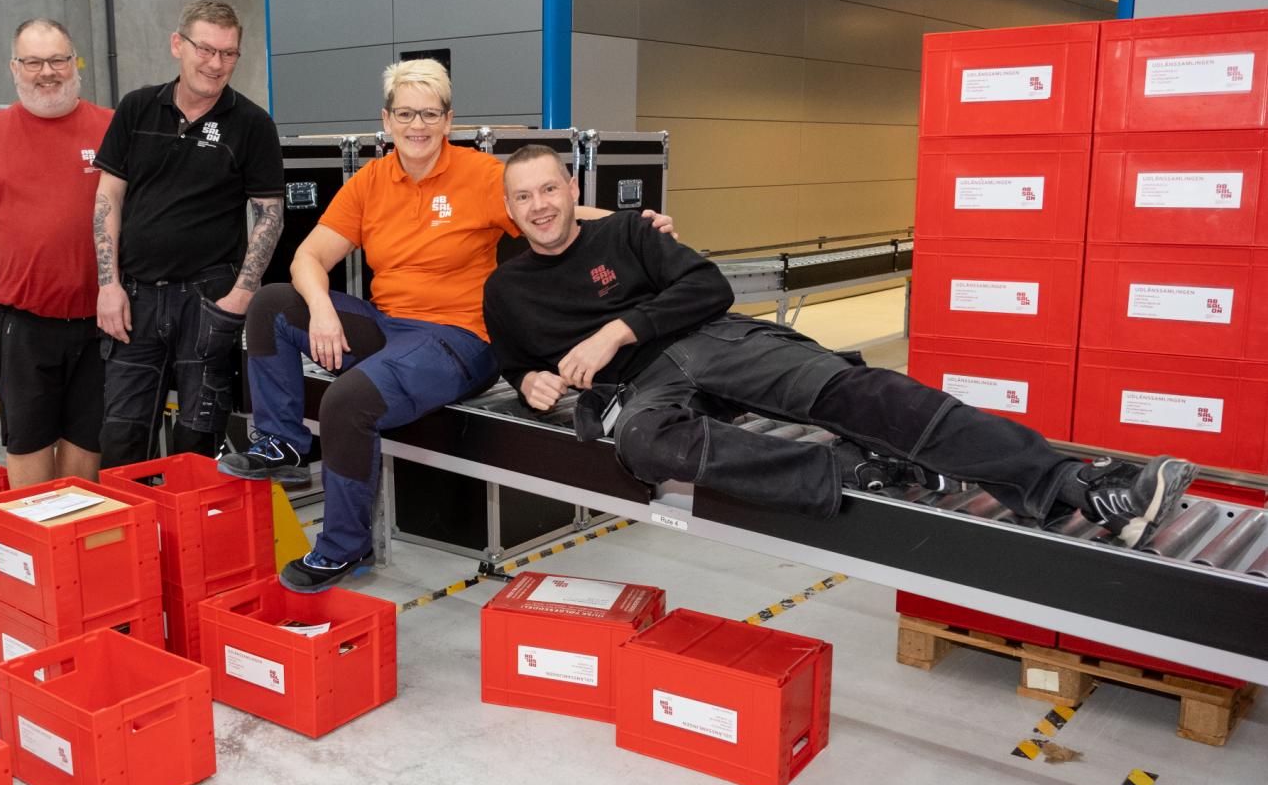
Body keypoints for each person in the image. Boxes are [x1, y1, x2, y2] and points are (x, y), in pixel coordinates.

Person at [482, 144, 1198, 549]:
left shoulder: (628, 232)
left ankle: (1081, 488)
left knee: (870, 394)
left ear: (572, 188)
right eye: (524, 197)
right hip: (644, 390)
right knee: (645, 445)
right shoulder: (507, 290)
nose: (540, 206)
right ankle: (847, 470)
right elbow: (517, 362)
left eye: (550, 189)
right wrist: (528, 383)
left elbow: (708, 288)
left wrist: (617, 330)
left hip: (710, 340)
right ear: (509, 209)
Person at [219, 59, 674, 592]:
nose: (418, 125)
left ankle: (344, 545)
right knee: (271, 305)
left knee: (346, 402)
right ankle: (284, 444)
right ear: (386, 121)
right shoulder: (370, 182)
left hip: (460, 340)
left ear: (448, 120)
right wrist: (320, 308)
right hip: (390, 326)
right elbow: (309, 256)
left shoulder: (480, 175)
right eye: (406, 113)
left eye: (430, 114)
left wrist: (636, 225)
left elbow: (555, 212)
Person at [91, 0, 284, 467]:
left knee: (197, 442)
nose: (216, 64)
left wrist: (240, 296)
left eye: (229, 53)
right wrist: (108, 284)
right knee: (121, 437)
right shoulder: (137, 108)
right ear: (178, 44)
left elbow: (269, 215)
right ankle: (133, 517)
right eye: (206, 49)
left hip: (208, 300)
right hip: (135, 299)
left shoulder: (252, 124)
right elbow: (108, 197)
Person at [0, 18, 114, 487]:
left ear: (75, 63)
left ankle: (76, 529)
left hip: (102, 323)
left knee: (88, 444)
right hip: (24, 325)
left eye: (58, 60)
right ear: (14, 68)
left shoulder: (113, 129)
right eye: (33, 62)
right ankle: (35, 530)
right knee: (27, 444)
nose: (47, 72)